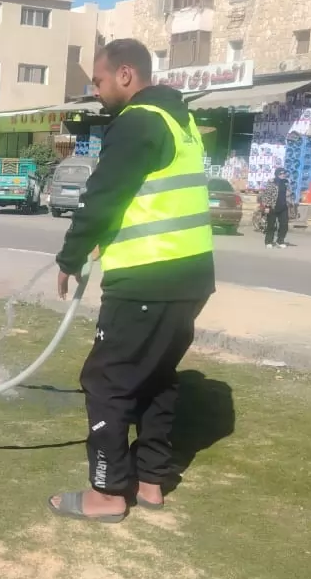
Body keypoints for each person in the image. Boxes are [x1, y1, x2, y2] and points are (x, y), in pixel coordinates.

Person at [49, 39, 216, 523]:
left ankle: (106, 492)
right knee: (158, 379)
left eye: (98, 82)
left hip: (146, 280)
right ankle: (151, 482)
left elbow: (103, 195)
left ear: (125, 75)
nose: (97, 92)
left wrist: (71, 256)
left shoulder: (137, 122)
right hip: (189, 277)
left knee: (106, 382)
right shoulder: (178, 121)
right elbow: (151, 199)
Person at [261, 167, 292, 248]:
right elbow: (267, 195)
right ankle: (268, 241)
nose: (283, 175)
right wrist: (267, 206)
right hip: (273, 206)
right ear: (277, 174)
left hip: (283, 206)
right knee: (271, 225)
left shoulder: (286, 182)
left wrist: (290, 200)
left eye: (284, 173)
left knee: (284, 225)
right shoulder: (272, 182)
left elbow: (289, 193)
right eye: (281, 173)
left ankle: (280, 241)